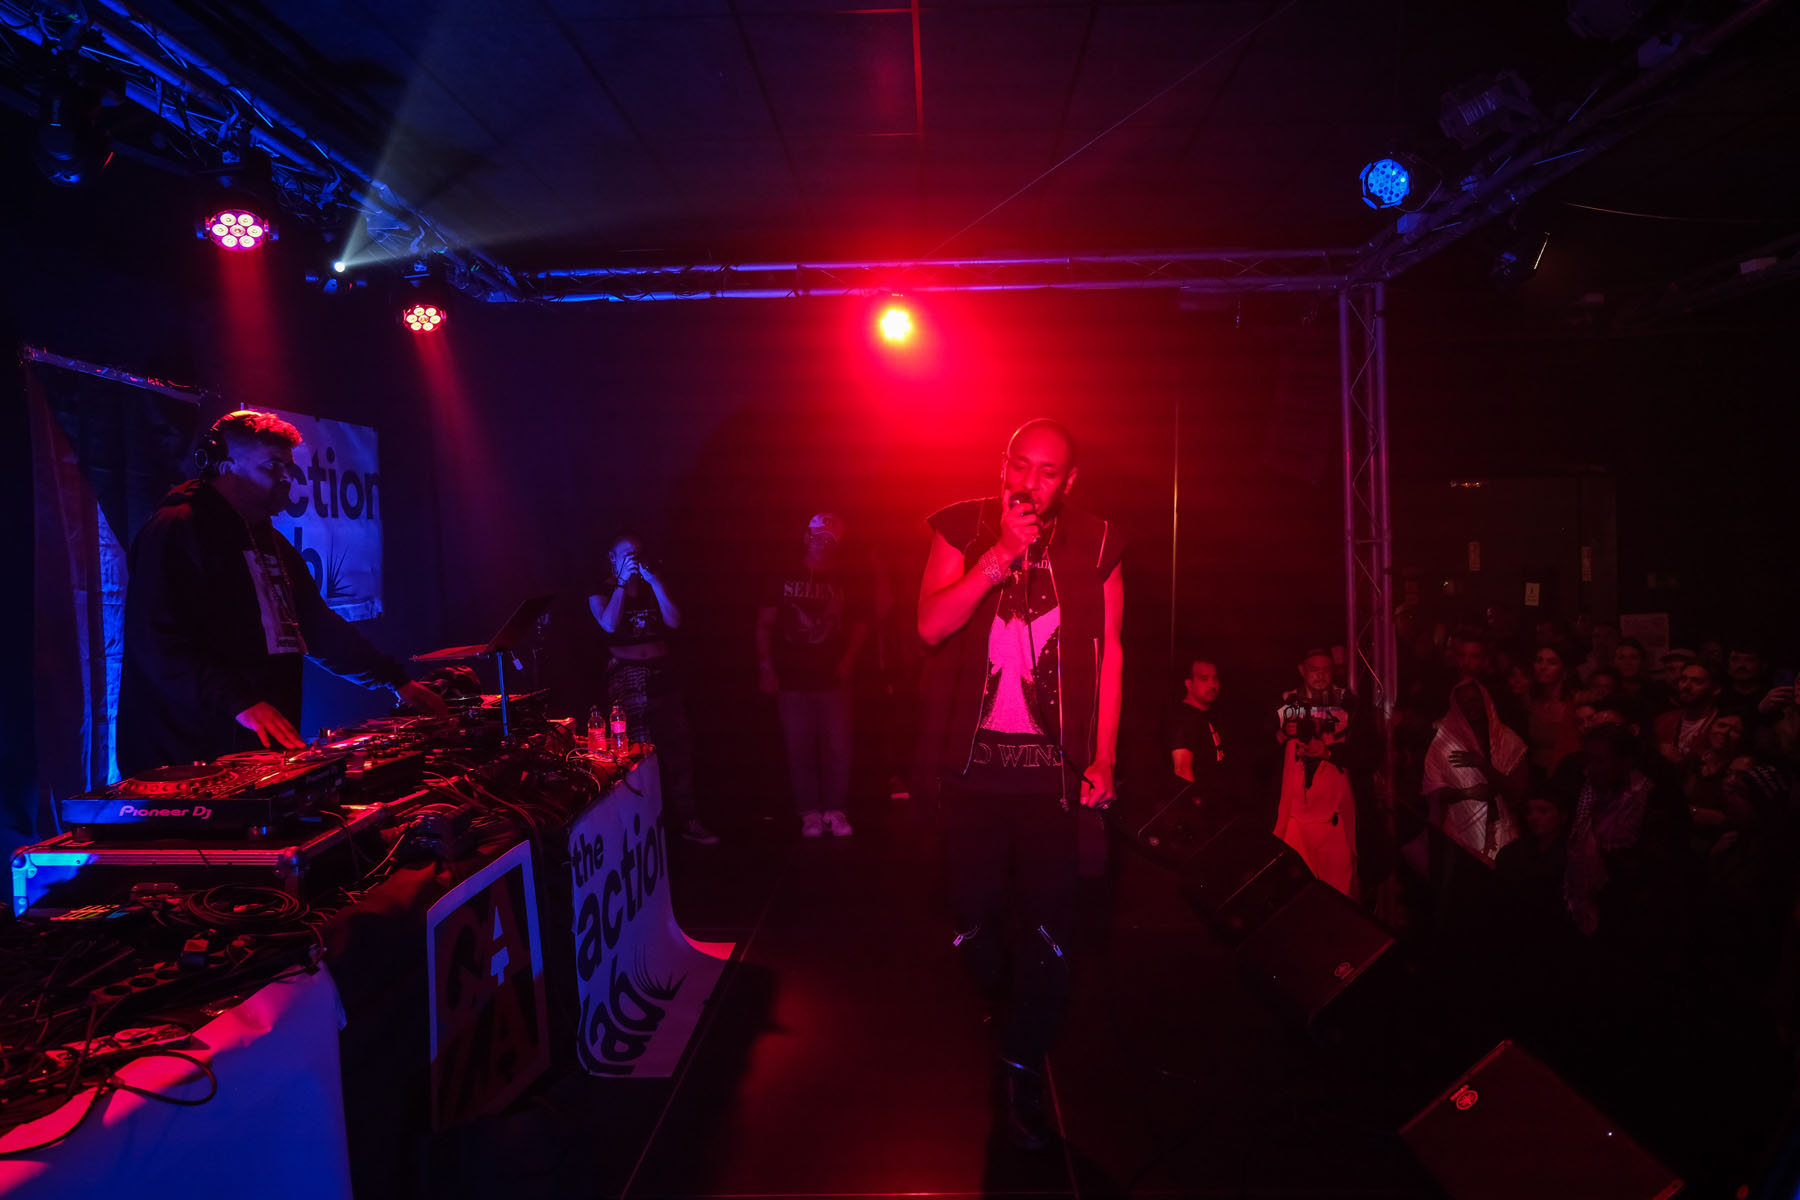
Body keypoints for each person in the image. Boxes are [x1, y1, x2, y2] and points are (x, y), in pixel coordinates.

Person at [916, 418, 1123, 1151]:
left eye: (1048, 472)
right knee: (971, 922)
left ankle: (1019, 1067)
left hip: (1049, 779)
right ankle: (1000, 999)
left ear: (1068, 482)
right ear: (1003, 465)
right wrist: (998, 556)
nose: (1029, 483)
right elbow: (931, 625)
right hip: (972, 771)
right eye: (1021, 465)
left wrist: (1103, 756)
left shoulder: (1096, 543)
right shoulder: (961, 526)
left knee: (1047, 931)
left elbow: (1109, 650)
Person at [119, 411, 444, 776]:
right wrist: (240, 702)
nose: (288, 477)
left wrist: (396, 681)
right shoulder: (176, 529)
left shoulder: (271, 542)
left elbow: (317, 628)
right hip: (184, 753)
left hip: (253, 749)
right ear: (224, 466)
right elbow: (159, 641)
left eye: (289, 466)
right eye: (273, 466)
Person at [589, 532, 716, 845]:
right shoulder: (601, 589)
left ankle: (688, 820)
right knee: (638, 754)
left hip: (663, 675)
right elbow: (608, 624)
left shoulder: (653, 583)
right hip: (628, 678)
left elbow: (675, 621)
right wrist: (621, 583)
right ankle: (643, 832)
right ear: (613, 559)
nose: (633, 559)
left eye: (637, 554)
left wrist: (655, 581)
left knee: (679, 749)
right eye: (626, 555)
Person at [756, 512, 869, 838]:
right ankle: (808, 812)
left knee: (838, 746)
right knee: (798, 747)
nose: (823, 543)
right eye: (818, 536)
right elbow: (764, 623)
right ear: (806, 536)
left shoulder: (847, 577)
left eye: (830, 539)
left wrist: (848, 660)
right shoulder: (783, 574)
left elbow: (861, 624)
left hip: (833, 677)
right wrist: (766, 665)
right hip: (792, 678)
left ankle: (835, 809)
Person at [1272, 648, 1360, 897]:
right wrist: (1281, 735)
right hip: (1295, 818)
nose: (1320, 676)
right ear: (1302, 671)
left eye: (1326, 670)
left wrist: (1329, 752)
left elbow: (1364, 755)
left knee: (1340, 892)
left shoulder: (1347, 703)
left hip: (1333, 817)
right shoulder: (1286, 702)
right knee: (1297, 893)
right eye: (1314, 670)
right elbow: (1264, 750)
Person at [1421, 679, 1528, 861]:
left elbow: (1519, 792)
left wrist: (1483, 766)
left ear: (1486, 701)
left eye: (1475, 700)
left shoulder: (1509, 742)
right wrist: (1468, 793)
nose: (1471, 707)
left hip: (1502, 834)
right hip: (1458, 837)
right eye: (1463, 702)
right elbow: (1433, 793)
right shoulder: (1443, 745)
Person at [1170, 655, 1226, 795]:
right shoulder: (1183, 718)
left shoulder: (1209, 715)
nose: (1212, 685)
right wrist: (1193, 805)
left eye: (1215, 678)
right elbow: (1182, 769)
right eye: (1204, 679)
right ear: (1189, 684)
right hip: (1199, 810)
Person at [1525, 643, 1582, 782]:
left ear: (1564, 669)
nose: (1543, 667)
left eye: (1552, 662)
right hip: (1534, 775)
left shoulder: (1576, 701)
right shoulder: (1531, 701)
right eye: (1539, 661)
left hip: (1565, 778)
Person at [1654, 661, 1721, 771]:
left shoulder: (1721, 726)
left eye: (1696, 681)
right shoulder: (1663, 720)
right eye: (1683, 679)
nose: (1686, 686)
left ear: (1715, 689)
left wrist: (1680, 762)